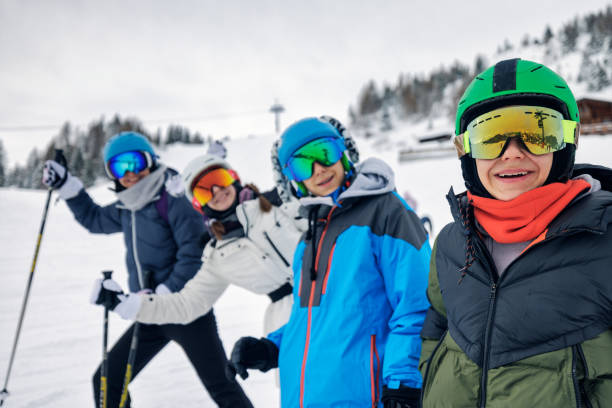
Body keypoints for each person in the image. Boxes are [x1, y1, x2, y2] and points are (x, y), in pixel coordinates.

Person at [419, 58, 612, 407]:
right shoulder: (451, 242)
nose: (511, 153)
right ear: (466, 151)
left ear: (566, 141)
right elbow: (436, 324)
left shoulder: (605, 239)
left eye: (538, 133)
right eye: (489, 137)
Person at [226, 117, 432, 408]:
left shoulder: (387, 213)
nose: (319, 169)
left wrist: (404, 383)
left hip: (366, 396)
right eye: (302, 164)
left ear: (343, 152)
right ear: (293, 179)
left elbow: (417, 306)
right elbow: (310, 320)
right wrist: (271, 347)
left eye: (324, 153)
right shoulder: (309, 237)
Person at [42, 132, 253, 408]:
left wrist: (162, 294)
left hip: (185, 311)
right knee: (107, 380)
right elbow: (94, 219)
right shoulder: (127, 204)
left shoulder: (173, 196)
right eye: (118, 167)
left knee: (221, 386)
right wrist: (67, 186)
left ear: (151, 161)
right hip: (150, 312)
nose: (129, 173)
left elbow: (193, 254)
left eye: (135, 162)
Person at [92, 153, 305, 348]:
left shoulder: (279, 205)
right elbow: (188, 304)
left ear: (233, 178)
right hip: (287, 321)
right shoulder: (217, 256)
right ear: (197, 204)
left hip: (331, 295)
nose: (216, 192)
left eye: (218, 180)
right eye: (203, 190)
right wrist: (131, 305)